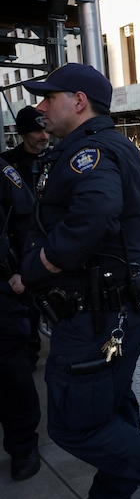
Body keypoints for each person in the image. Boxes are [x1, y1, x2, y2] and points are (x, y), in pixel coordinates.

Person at [18, 63, 140, 499]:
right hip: (117, 307)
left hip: (97, 316)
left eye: (49, 97)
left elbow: (95, 212)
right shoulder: (106, 144)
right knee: (112, 414)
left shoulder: (91, 151)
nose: (40, 106)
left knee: (75, 427)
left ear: (79, 101)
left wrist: (39, 266)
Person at [0, 155, 41, 481]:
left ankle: (23, 444)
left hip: (1, 287)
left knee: (10, 372)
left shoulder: (3, 171)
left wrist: (21, 272)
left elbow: (27, 222)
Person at [2, 105, 51, 370]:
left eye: (45, 129)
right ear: (23, 133)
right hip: (20, 253)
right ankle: (28, 362)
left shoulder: (56, 160)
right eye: (36, 130)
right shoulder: (7, 165)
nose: (43, 136)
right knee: (26, 317)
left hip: (52, 250)